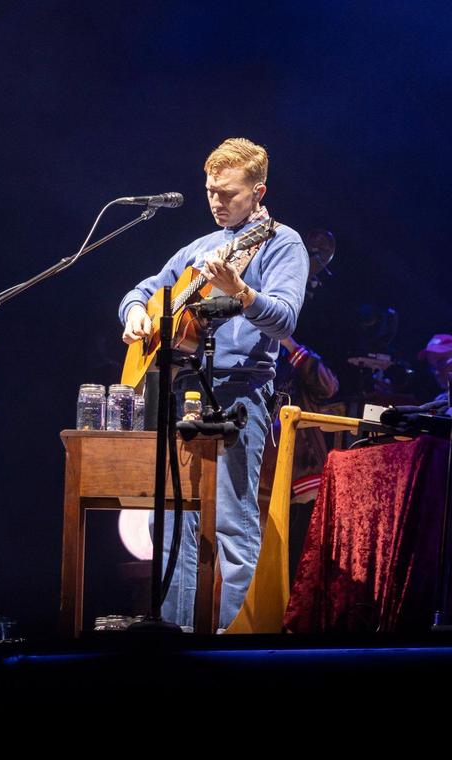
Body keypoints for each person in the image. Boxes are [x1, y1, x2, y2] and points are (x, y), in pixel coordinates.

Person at [119, 138, 308, 630]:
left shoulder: (281, 243)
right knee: (176, 523)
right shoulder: (201, 249)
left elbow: (285, 320)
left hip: (241, 392)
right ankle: (175, 637)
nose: (216, 201)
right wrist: (137, 312)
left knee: (233, 525)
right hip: (186, 391)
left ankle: (234, 644)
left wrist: (243, 293)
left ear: (258, 191)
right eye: (209, 191)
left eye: (227, 192)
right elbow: (142, 290)